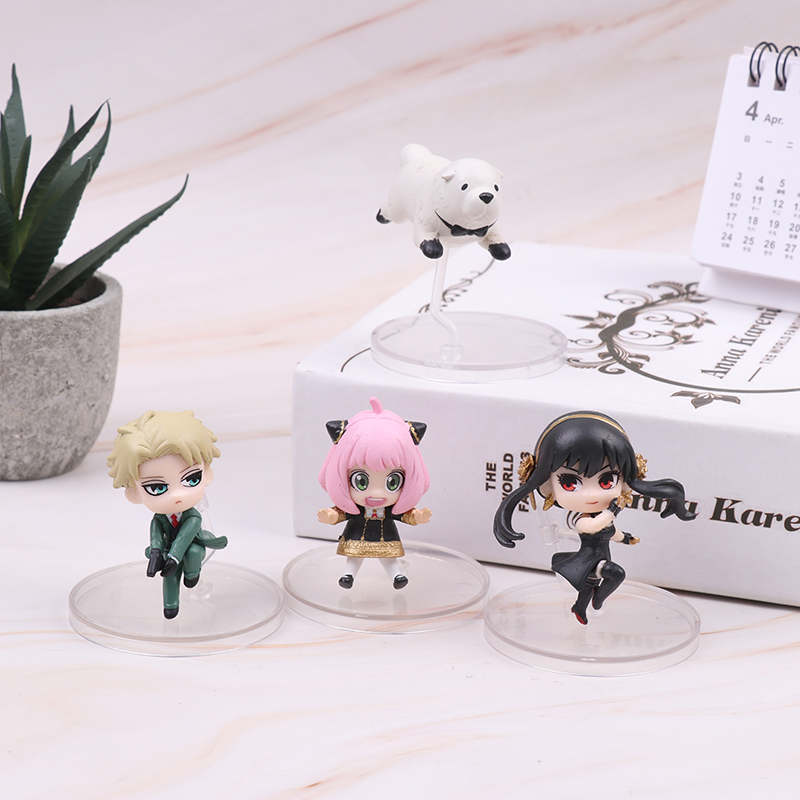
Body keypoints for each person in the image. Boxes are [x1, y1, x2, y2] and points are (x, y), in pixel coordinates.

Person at [494, 411, 695, 625]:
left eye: (607, 481)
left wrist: (626, 538)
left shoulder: (604, 517)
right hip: (589, 559)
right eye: (570, 483)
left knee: (588, 586)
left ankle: (580, 608)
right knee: (616, 574)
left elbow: (611, 532)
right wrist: (611, 513)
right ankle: (598, 601)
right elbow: (591, 527)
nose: (591, 495)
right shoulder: (581, 519)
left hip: (598, 559)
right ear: (547, 485)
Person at [107, 410, 226, 619]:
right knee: (169, 576)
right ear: (134, 493)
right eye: (157, 488)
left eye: (191, 479)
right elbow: (155, 535)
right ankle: (171, 606)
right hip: (167, 549)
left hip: (192, 545)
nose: (177, 495)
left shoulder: (193, 517)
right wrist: (156, 553)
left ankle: (192, 576)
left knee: (192, 553)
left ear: (206, 474)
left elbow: (186, 536)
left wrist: (174, 558)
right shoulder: (159, 519)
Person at [317, 397, 431, 589]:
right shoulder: (355, 508)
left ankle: (397, 576)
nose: (377, 494)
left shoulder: (390, 509)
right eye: (361, 482)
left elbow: (404, 515)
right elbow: (341, 513)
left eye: (392, 482)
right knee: (354, 555)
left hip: (386, 536)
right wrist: (331, 516)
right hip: (356, 534)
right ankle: (348, 575)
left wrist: (417, 517)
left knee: (388, 557)